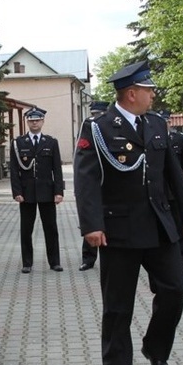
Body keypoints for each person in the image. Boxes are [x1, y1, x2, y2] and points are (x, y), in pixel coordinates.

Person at [74, 61, 183, 365]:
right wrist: (92, 225)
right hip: (119, 230)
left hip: (160, 226)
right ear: (131, 94)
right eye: (148, 89)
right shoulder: (98, 128)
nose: (153, 94)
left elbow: (173, 173)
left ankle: (156, 350)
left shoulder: (156, 125)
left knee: (175, 288)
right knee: (118, 306)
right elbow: (86, 180)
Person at [9, 107, 65, 273]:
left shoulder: (51, 142)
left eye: (37, 120)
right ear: (27, 122)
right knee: (26, 229)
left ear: (42, 121)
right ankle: (27, 263)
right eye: (32, 120)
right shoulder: (18, 143)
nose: (34, 123)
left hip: (47, 192)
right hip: (27, 193)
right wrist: (17, 192)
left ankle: (54, 262)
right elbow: (14, 170)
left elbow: (57, 169)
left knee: (51, 229)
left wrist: (59, 192)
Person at [160, 109, 183, 267]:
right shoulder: (153, 138)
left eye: (167, 121)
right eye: (162, 121)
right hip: (159, 188)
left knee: (180, 223)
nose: (164, 124)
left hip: (175, 188)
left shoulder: (178, 139)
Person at [78, 101, 108, 271]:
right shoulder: (88, 127)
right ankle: (88, 259)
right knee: (91, 221)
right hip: (93, 183)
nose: (96, 117)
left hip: (110, 184)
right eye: (94, 114)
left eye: (99, 114)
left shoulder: (111, 128)